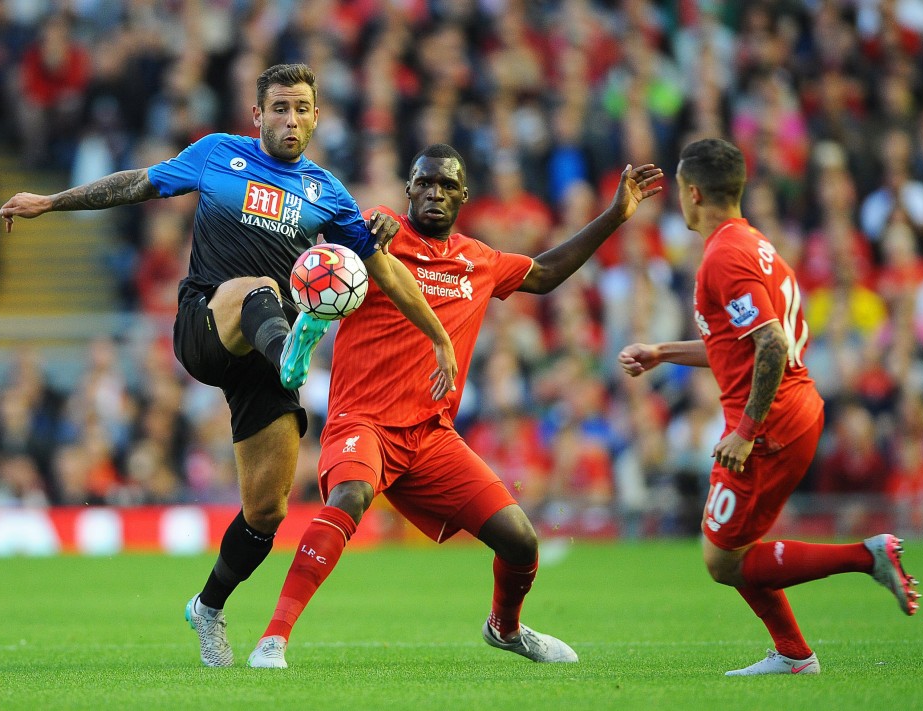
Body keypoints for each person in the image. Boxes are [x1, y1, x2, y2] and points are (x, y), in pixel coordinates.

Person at [0, 63, 458, 668]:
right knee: (260, 287)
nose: (290, 119)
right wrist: (50, 201)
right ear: (257, 115)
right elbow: (140, 182)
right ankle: (294, 354)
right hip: (209, 319)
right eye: (279, 108)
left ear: (317, 117)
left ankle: (208, 607)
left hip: (267, 360)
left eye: (301, 109)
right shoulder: (218, 155)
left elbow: (387, 270)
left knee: (266, 511)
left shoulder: (329, 194)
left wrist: (440, 339)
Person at [242, 143, 664, 668]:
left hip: (430, 437)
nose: (434, 193)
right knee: (349, 495)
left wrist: (616, 215)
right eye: (424, 183)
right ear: (409, 190)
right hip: (363, 422)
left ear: (464, 195)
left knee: (521, 542)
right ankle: (273, 639)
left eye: (446, 185)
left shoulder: (479, 261)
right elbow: (337, 241)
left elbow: (547, 273)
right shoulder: (376, 239)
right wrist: (369, 230)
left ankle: (505, 629)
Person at [618, 138, 920, 677]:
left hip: (772, 421)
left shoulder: (724, 257)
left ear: (692, 194)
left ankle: (866, 558)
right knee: (733, 551)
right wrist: (663, 352)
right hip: (791, 410)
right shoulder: (754, 244)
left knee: (721, 558)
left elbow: (773, 345)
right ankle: (794, 655)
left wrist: (747, 430)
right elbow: (739, 343)